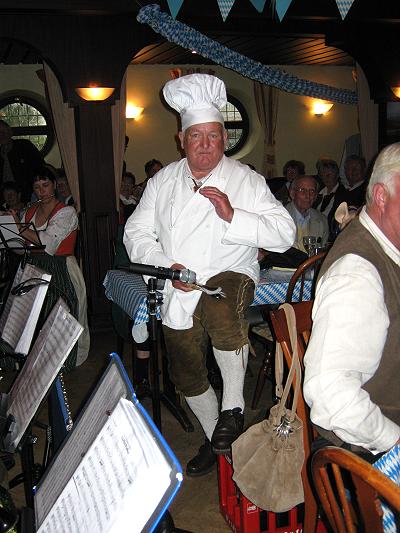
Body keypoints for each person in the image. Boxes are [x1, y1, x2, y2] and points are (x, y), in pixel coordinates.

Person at [124, 73, 295, 476]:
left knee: (220, 309)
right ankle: (220, 440)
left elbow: (286, 233)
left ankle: (232, 407)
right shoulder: (162, 181)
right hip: (178, 283)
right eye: (196, 136)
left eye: (214, 136)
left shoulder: (245, 179)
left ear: (224, 137)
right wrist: (169, 268)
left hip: (230, 272)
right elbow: (135, 233)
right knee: (184, 371)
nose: (205, 146)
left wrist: (234, 216)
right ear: (181, 140)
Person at [303, 142, 400, 531]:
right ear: (380, 195)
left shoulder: (387, 244)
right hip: (363, 460)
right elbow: (330, 395)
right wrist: (394, 440)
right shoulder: (357, 273)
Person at [11, 166, 90, 368]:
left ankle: (61, 361)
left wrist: (18, 228)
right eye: (37, 187)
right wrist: (11, 235)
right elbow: (20, 249)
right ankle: (29, 363)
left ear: (54, 185)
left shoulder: (66, 212)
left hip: (60, 268)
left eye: (45, 185)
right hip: (32, 267)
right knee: (24, 312)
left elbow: (48, 245)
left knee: (59, 313)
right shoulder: (28, 212)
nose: (41, 191)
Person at [0, 120, 44, 203]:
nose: (2, 135)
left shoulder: (24, 145)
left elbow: (40, 167)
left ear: (10, 132)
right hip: (5, 199)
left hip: (29, 196)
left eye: (4, 131)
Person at [286, 175, 329, 252]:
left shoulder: (322, 220)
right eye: (302, 190)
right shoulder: (280, 217)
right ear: (292, 193)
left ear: (316, 196)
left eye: (312, 191)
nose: (308, 196)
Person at [313, 158, 347, 241]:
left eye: (329, 175)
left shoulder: (343, 194)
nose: (326, 178)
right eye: (323, 175)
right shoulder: (318, 193)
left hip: (331, 235)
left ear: (337, 175)